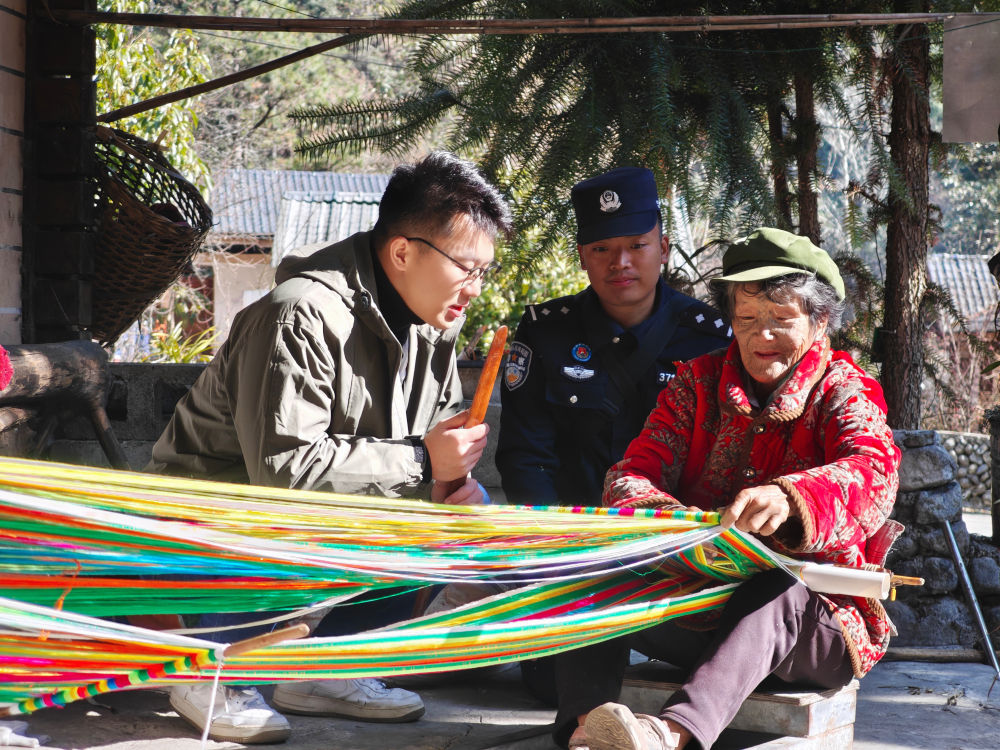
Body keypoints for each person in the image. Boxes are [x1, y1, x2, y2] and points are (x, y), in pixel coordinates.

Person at [147, 151, 512, 744]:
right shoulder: (299, 314)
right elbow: (284, 475)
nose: (474, 289)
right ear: (402, 252)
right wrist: (423, 462)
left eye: (483, 273)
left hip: (310, 527)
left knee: (441, 528)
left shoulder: (431, 328)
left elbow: (429, 449)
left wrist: (449, 486)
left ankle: (325, 668)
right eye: (466, 268)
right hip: (208, 530)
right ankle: (205, 665)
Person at [556, 227, 902, 750]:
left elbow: (874, 471)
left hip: (814, 628)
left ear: (820, 319)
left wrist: (791, 499)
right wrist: (670, 522)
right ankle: (587, 730)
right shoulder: (696, 383)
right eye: (747, 321)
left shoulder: (843, 390)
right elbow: (633, 471)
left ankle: (669, 735)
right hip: (700, 604)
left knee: (778, 587)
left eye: (782, 321)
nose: (762, 337)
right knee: (592, 566)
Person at [496, 166, 731, 510]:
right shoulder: (545, 333)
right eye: (601, 249)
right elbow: (526, 457)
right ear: (581, 257)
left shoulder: (708, 338)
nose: (620, 262)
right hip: (574, 534)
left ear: (663, 249)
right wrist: (550, 538)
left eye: (637, 245)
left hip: (677, 535)